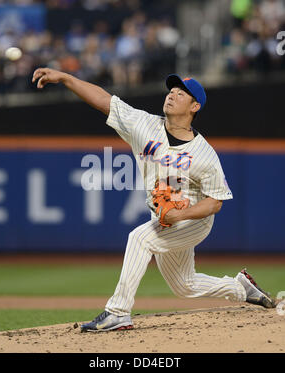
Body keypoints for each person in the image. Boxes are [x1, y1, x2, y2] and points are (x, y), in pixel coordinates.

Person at [32, 68, 276, 332]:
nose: (172, 95)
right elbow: (105, 101)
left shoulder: (204, 154)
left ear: (194, 106)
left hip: (193, 219)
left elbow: (215, 202)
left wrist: (181, 215)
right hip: (165, 217)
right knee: (184, 285)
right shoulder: (145, 124)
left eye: (181, 93)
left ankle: (118, 312)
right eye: (171, 90)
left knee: (140, 238)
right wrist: (67, 79)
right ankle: (240, 288)